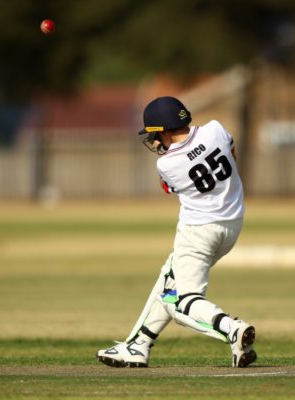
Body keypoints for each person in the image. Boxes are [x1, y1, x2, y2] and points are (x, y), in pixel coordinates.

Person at [96, 96, 256, 368]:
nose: (155, 141)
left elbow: (167, 188)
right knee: (168, 283)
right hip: (232, 225)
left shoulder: (167, 164)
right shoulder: (215, 129)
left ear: (165, 129)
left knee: (181, 302)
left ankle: (231, 328)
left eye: (156, 134)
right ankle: (138, 344)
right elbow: (232, 155)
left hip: (197, 234)